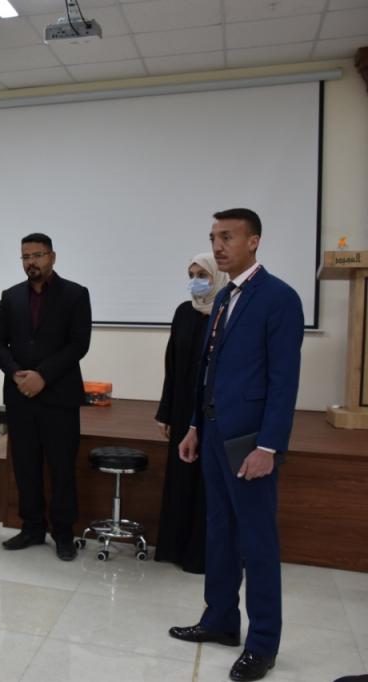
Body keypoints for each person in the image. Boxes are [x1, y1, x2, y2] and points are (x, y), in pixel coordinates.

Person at [170, 209, 304, 682]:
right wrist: (193, 425)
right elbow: (209, 370)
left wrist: (269, 446)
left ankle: (263, 643)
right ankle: (221, 619)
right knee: (220, 532)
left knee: (257, 541)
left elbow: (283, 380)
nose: (218, 246)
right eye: (213, 237)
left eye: (227, 237)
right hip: (211, 433)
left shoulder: (279, 297)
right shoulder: (225, 295)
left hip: (249, 441)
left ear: (254, 241)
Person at [0, 233, 92, 561]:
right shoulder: (11, 296)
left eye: (37, 255)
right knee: (25, 466)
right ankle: (32, 527)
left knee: (62, 468)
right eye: (25, 257)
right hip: (20, 395)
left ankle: (63, 533)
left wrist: (42, 376)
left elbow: (79, 344)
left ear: (52, 257)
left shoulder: (75, 294)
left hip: (59, 396)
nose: (31, 262)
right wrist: (16, 373)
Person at [153, 252, 229, 574]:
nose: (196, 281)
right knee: (181, 479)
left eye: (203, 275)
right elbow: (171, 364)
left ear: (218, 277)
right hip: (183, 409)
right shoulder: (184, 312)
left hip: (214, 411)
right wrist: (166, 412)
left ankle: (202, 555)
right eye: (192, 275)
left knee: (207, 484)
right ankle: (174, 548)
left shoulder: (227, 312)